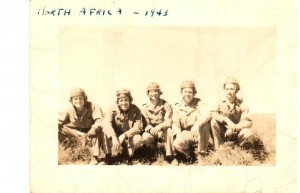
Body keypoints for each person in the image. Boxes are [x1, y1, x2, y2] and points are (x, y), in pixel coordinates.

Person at [58, 87, 106, 165]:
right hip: (76, 133)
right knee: (57, 129)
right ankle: (71, 151)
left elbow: (99, 120)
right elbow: (59, 121)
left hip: (91, 132)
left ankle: (95, 156)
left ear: (85, 99)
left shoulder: (93, 106)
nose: (78, 101)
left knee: (99, 129)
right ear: (71, 101)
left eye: (80, 98)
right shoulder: (68, 109)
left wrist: (94, 128)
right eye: (75, 99)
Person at [210, 77, 254, 150]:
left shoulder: (242, 104)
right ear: (224, 90)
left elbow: (248, 121)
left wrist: (233, 128)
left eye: (231, 89)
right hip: (224, 132)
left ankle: (240, 149)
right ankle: (219, 148)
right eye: (227, 89)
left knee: (247, 132)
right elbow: (213, 113)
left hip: (237, 132)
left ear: (236, 90)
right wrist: (225, 119)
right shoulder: (219, 103)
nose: (229, 91)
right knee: (213, 122)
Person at [172, 80, 211, 161]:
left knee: (205, 125)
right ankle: (190, 155)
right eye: (185, 92)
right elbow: (175, 123)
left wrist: (197, 124)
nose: (187, 94)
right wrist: (178, 134)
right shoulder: (177, 106)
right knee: (176, 144)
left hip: (199, 132)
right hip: (186, 133)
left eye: (190, 92)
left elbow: (207, 114)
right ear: (181, 93)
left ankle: (202, 154)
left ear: (194, 93)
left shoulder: (200, 103)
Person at [102, 89, 143, 162]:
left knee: (138, 138)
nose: (123, 103)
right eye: (121, 100)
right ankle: (108, 156)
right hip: (116, 137)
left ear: (130, 101)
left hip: (129, 138)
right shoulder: (112, 109)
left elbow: (138, 127)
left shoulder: (136, 110)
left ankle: (128, 152)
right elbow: (106, 123)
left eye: (126, 100)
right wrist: (114, 137)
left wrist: (124, 135)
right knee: (104, 132)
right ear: (118, 102)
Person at [141, 82, 177, 164]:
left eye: (155, 91)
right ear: (148, 93)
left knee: (169, 131)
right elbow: (145, 123)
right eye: (151, 91)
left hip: (162, 130)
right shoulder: (144, 107)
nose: (153, 93)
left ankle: (171, 156)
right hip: (151, 131)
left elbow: (168, 121)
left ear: (159, 92)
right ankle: (152, 154)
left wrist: (159, 127)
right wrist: (150, 128)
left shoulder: (166, 105)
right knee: (145, 136)